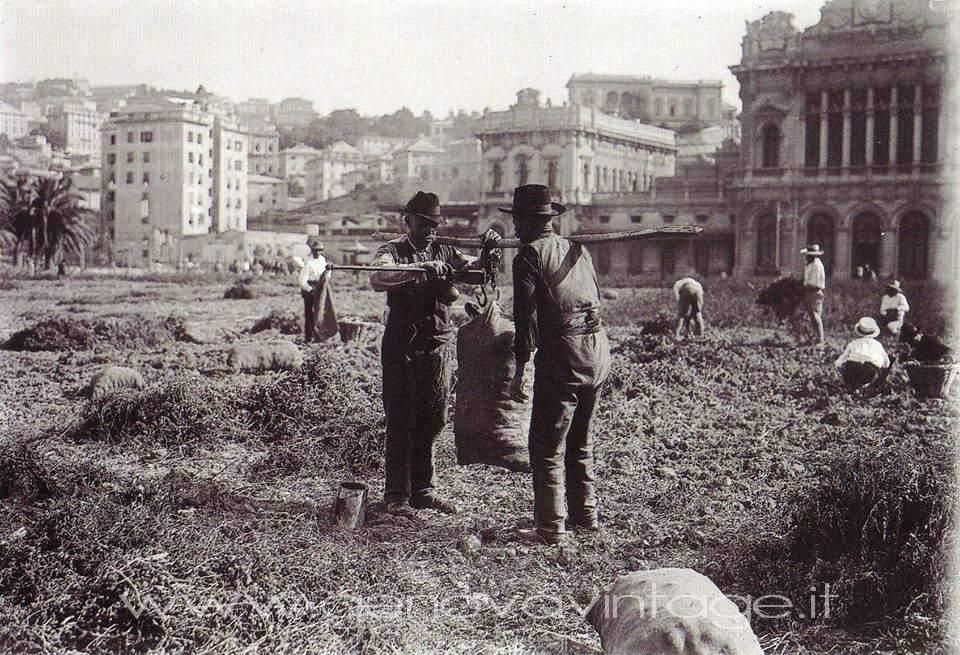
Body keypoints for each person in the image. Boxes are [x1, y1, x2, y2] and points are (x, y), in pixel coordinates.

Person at [370, 191, 499, 518]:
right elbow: (378, 277)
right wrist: (419, 268)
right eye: (424, 223)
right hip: (402, 344)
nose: (430, 229)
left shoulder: (446, 249)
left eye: (434, 224)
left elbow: (475, 271)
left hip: (438, 344)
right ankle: (397, 494)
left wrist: (489, 253)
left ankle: (424, 490)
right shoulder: (393, 250)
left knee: (434, 417)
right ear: (408, 220)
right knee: (400, 417)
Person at [498, 184, 612, 545]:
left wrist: (519, 370)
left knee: (546, 446)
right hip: (597, 353)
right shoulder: (579, 250)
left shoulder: (528, 256)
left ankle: (550, 528)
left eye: (517, 220)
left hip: (564, 359)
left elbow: (525, 319)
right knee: (580, 441)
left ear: (530, 221)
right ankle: (586, 517)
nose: (514, 228)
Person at [299, 236, 338, 343]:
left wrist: (327, 273)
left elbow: (328, 274)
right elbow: (302, 280)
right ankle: (309, 337)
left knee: (322, 311)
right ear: (312, 251)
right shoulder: (308, 262)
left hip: (321, 287)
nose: (318, 252)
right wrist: (310, 290)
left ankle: (321, 335)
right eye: (316, 250)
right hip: (310, 289)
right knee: (310, 314)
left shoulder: (323, 260)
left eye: (320, 250)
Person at [835, 317, 891, 390]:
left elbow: (838, 363)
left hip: (852, 370)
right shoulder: (878, 345)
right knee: (877, 371)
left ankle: (851, 384)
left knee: (848, 368)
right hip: (870, 372)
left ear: (859, 332)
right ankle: (869, 385)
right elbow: (887, 363)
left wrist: (842, 370)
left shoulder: (853, 343)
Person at [800, 244, 826, 347]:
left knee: (815, 316)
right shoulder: (809, 264)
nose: (807, 257)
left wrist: (802, 288)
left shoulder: (816, 265)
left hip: (815, 292)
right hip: (809, 292)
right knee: (811, 315)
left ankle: (820, 339)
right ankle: (815, 338)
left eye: (808, 255)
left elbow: (813, 283)